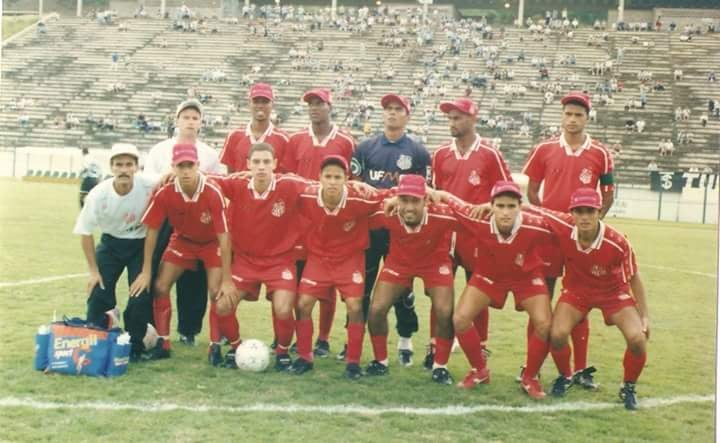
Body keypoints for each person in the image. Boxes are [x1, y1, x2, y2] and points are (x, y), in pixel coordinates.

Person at [522, 91, 615, 388]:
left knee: (579, 299)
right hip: (549, 237)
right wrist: (547, 216)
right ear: (561, 117)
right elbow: (533, 191)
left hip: (581, 240)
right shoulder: (545, 149)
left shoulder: (600, 153)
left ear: (587, 118)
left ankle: (581, 369)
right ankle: (531, 365)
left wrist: (590, 226)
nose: (573, 120)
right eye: (568, 114)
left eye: (578, 115)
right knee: (541, 299)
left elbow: (609, 192)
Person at [432, 182, 553, 399]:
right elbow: (443, 196)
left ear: (520, 207)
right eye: (500, 206)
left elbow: (565, 223)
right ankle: (479, 370)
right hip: (489, 276)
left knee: (544, 324)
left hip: (526, 277)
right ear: (491, 206)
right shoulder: (477, 217)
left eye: (511, 206)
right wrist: (405, 195)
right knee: (460, 319)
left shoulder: (537, 225)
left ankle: (531, 377)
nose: (505, 212)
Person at [536, 189, 649, 411]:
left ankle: (628, 386)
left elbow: (634, 277)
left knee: (637, 338)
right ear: (572, 213)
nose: (584, 217)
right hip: (577, 291)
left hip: (613, 293)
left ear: (599, 212)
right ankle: (566, 376)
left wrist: (645, 316)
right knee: (557, 334)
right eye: (579, 211)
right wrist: (491, 206)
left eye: (590, 211)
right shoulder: (565, 225)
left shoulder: (618, 241)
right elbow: (534, 209)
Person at [130, 143, 236, 361]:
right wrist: (146, 271)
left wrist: (227, 278)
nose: (186, 171)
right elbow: (151, 232)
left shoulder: (212, 192)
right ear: (173, 167)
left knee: (216, 291)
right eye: (181, 166)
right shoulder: (165, 192)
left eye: (190, 165)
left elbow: (224, 237)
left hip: (211, 243)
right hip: (183, 241)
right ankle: (164, 342)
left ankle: (215, 346)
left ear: (198, 165)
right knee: (159, 286)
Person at [211, 142, 309, 370]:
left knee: (284, 308)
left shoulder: (290, 184)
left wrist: (356, 187)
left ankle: (283, 352)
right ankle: (235, 348)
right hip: (246, 261)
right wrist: (171, 173)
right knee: (222, 305)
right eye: (256, 162)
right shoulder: (237, 184)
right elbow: (207, 179)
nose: (261, 167)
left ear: (275, 164)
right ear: (248, 165)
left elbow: (321, 187)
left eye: (266, 162)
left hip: (280, 261)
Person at [431, 97, 512, 369]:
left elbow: (508, 193)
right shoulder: (441, 153)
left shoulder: (490, 154)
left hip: (477, 236)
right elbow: (433, 194)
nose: (452, 123)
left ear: (473, 119)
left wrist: (488, 206)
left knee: (479, 290)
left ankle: (481, 346)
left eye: (457, 118)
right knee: (440, 292)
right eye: (450, 118)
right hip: (445, 234)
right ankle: (436, 345)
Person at [350, 93, 430, 366]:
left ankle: (405, 340)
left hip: (401, 234)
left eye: (398, 109)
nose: (392, 113)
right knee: (363, 289)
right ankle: (355, 343)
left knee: (403, 291)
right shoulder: (365, 148)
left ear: (407, 115)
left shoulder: (418, 153)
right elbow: (355, 185)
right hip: (370, 231)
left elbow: (425, 195)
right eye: (388, 109)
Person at [288, 155, 386, 379]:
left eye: (338, 177)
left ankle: (353, 362)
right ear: (319, 178)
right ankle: (305, 357)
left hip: (349, 259)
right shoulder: (307, 195)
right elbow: (285, 181)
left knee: (354, 306)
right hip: (319, 259)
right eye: (328, 176)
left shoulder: (360, 199)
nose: (332, 181)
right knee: (303, 304)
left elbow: (388, 194)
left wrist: (430, 193)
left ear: (346, 178)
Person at [145, 99, 223, 346]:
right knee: (159, 268)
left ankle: (189, 329)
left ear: (201, 123)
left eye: (195, 118)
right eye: (186, 117)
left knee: (195, 276)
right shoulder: (160, 149)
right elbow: (147, 179)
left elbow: (218, 182)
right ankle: (153, 327)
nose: (190, 121)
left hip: (198, 218)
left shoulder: (209, 153)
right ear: (177, 120)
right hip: (166, 212)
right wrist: (166, 176)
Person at [365, 175, 458, 385]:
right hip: (399, 263)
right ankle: (380, 361)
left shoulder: (443, 214)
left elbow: (469, 213)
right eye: (404, 200)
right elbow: (363, 204)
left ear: (426, 200)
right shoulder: (387, 212)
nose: (409, 207)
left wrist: (444, 195)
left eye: (415, 201)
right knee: (376, 309)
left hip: (435, 263)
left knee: (444, 311)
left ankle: (440, 366)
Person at [285, 88, 356, 357]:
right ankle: (298, 337)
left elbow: (352, 183)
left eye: (319, 103)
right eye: (310, 103)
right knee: (301, 283)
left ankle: (324, 339)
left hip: (333, 223)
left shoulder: (346, 142)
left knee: (327, 288)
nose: (314, 108)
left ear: (329, 106)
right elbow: (289, 179)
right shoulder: (296, 140)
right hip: (301, 224)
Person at [73, 144, 157, 360]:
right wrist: (93, 271)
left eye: (129, 164)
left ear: (137, 168)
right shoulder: (98, 195)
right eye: (118, 164)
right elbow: (85, 232)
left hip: (140, 245)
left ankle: (135, 345)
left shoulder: (149, 185)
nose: (124, 169)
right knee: (98, 291)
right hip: (111, 244)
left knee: (140, 295)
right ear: (111, 167)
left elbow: (171, 176)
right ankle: (98, 338)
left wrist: (146, 271)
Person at [219, 83, 290, 173]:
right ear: (249, 103)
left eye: (265, 101)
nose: (260, 105)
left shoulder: (284, 139)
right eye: (256, 101)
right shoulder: (234, 136)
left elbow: (286, 174)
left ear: (272, 104)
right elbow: (230, 174)